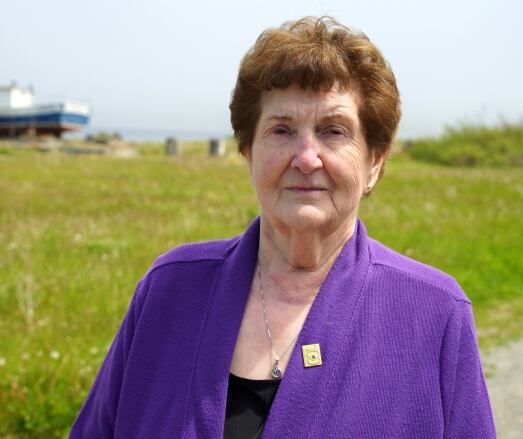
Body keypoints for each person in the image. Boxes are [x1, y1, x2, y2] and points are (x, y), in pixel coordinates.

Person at [71, 16, 496, 438]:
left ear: (374, 163)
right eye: (281, 130)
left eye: (333, 131)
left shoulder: (435, 313)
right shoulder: (168, 289)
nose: (306, 157)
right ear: (248, 153)